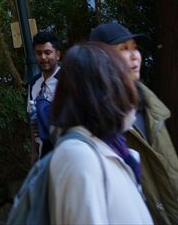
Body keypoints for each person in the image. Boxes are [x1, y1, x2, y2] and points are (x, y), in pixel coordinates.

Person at [48, 42, 152, 224]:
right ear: (104, 93)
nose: (131, 93)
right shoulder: (79, 157)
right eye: (124, 82)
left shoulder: (114, 149)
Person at [89, 20, 178, 224]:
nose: (135, 56)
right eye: (123, 49)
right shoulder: (97, 123)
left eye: (134, 48)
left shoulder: (152, 106)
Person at [27, 31, 62, 159]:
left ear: (57, 55)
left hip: (65, 148)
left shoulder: (68, 80)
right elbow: (33, 120)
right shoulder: (33, 83)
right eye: (38, 53)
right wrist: (34, 152)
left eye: (47, 53)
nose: (43, 57)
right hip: (44, 153)